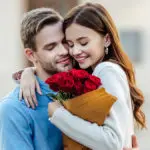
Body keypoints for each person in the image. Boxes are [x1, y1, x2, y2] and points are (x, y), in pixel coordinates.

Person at [14, 2, 145, 150]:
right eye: (70, 44)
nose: (75, 51)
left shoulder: (107, 70)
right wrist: (28, 72)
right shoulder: (91, 71)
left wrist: (58, 114)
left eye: (83, 43)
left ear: (107, 39)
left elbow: (113, 143)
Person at [0, 8, 73, 150]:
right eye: (51, 47)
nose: (64, 51)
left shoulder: (85, 85)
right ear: (31, 55)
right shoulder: (14, 109)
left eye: (65, 42)